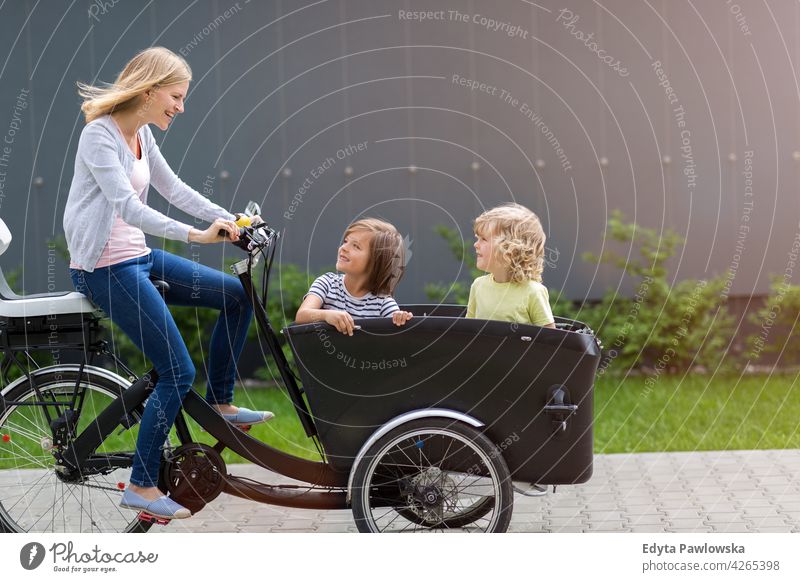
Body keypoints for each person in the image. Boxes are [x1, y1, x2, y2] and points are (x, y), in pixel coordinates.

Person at [63, 47, 272, 520]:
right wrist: (196, 235)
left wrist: (230, 219)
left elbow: (174, 189)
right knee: (177, 370)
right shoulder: (100, 136)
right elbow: (127, 208)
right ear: (150, 89)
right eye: (175, 96)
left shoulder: (140, 135)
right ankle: (141, 484)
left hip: (137, 257)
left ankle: (220, 403)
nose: (180, 106)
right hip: (104, 269)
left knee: (236, 297)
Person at [295, 218, 413, 334]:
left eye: (356, 246)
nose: (344, 248)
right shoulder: (327, 283)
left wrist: (400, 318)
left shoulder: (382, 302)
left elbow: (398, 334)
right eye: (346, 241)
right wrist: (326, 315)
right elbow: (301, 315)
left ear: (376, 262)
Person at [466, 203, 556, 329]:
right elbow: (468, 331)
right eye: (477, 238)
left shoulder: (533, 292)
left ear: (510, 249)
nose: (476, 244)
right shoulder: (478, 286)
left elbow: (550, 341)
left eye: (483, 239)